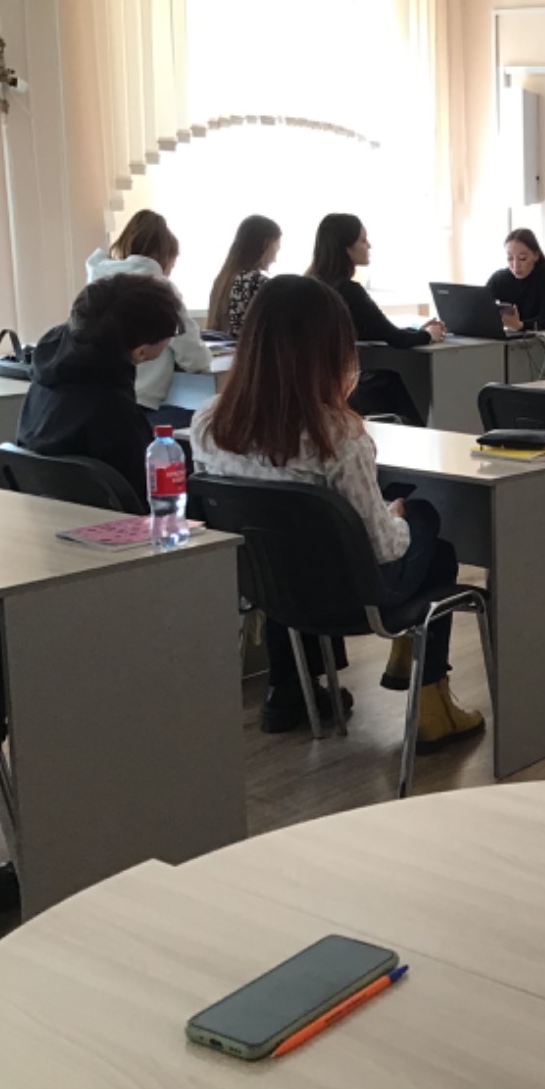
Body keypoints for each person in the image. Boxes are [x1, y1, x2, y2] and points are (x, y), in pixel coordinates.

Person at [190, 274, 485, 746]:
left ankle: (287, 692)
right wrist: (397, 515)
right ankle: (431, 705)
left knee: (283, 544)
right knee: (430, 527)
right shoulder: (338, 436)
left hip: (268, 591)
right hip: (351, 597)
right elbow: (384, 549)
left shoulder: (209, 423)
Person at [16, 273, 184, 506]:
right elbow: (149, 493)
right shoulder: (113, 408)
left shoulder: (47, 380)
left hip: (46, 516)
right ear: (140, 352)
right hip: (112, 521)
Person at [307, 213, 441, 424]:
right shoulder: (349, 291)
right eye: (362, 240)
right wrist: (428, 335)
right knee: (390, 382)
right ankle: (419, 434)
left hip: (312, 385)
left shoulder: (310, 285)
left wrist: (416, 331)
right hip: (341, 386)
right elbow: (395, 338)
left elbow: (370, 329)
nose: (369, 245)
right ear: (346, 248)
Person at [86, 210, 211, 426]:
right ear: (164, 257)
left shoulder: (97, 283)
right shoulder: (160, 290)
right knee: (208, 421)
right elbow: (193, 358)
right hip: (142, 404)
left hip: (98, 400)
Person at [207, 215, 282, 338]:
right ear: (266, 244)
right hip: (249, 349)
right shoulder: (256, 282)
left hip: (227, 349)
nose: (276, 254)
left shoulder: (224, 280)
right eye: (277, 244)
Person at [486, 228, 545, 331]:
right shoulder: (499, 278)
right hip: (509, 336)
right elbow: (480, 306)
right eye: (510, 258)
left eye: (522, 258)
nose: (515, 265)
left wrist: (520, 325)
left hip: (538, 337)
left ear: (536, 255)